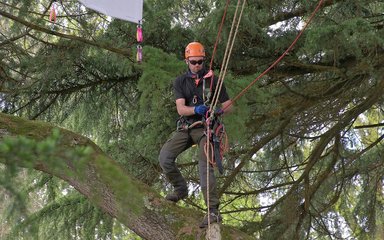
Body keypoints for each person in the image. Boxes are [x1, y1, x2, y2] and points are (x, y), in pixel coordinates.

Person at [159, 41, 233, 228]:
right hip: (187, 127)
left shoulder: (213, 80)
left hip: (206, 130)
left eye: (200, 62)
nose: (197, 65)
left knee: (204, 169)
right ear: (187, 61)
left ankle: (213, 211)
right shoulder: (180, 82)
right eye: (193, 62)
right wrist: (196, 109)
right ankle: (180, 189)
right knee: (165, 157)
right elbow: (181, 109)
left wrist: (218, 110)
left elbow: (229, 106)